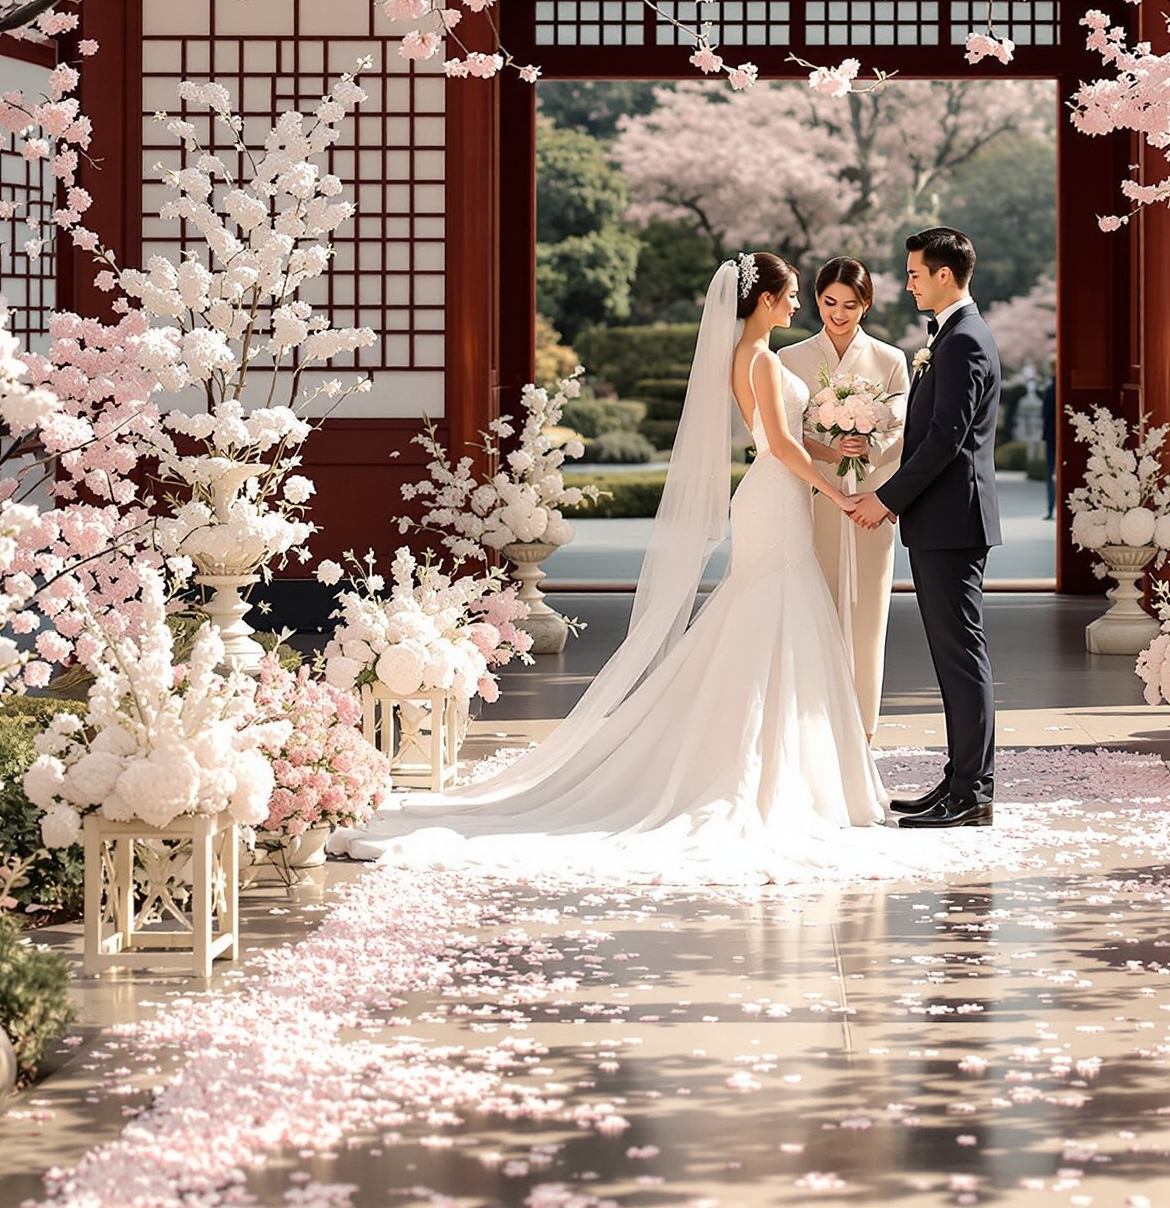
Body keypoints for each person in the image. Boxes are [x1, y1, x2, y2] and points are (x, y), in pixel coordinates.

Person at [345, 254, 887, 874]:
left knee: (769, 614)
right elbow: (780, 445)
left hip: (775, 493)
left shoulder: (749, 355)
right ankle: (768, 770)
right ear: (765, 300)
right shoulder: (760, 358)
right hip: (776, 497)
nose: (797, 304)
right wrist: (837, 493)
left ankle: (772, 763)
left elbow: (780, 438)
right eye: (790, 294)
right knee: (771, 611)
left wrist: (837, 449)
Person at [848, 228, 1003, 830]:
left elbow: (946, 439)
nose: (908, 283)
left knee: (961, 656)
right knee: (952, 655)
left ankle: (973, 792)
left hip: (952, 522)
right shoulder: (953, 334)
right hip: (943, 521)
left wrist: (885, 499)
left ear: (944, 274)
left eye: (915, 273)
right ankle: (960, 781)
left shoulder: (964, 340)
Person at [779, 258, 910, 743]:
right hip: (812, 496)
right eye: (829, 302)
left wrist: (869, 449)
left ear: (866, 304)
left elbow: (904, 429)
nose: (838, 313)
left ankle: (861, 730)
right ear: (816, 299)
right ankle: (812, 729)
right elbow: (780, 434)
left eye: (850, 305)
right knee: (813, 611)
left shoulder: (890, 360)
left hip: (871, 501)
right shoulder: (790, 358)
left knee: (869, 613)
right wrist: (830, 450)